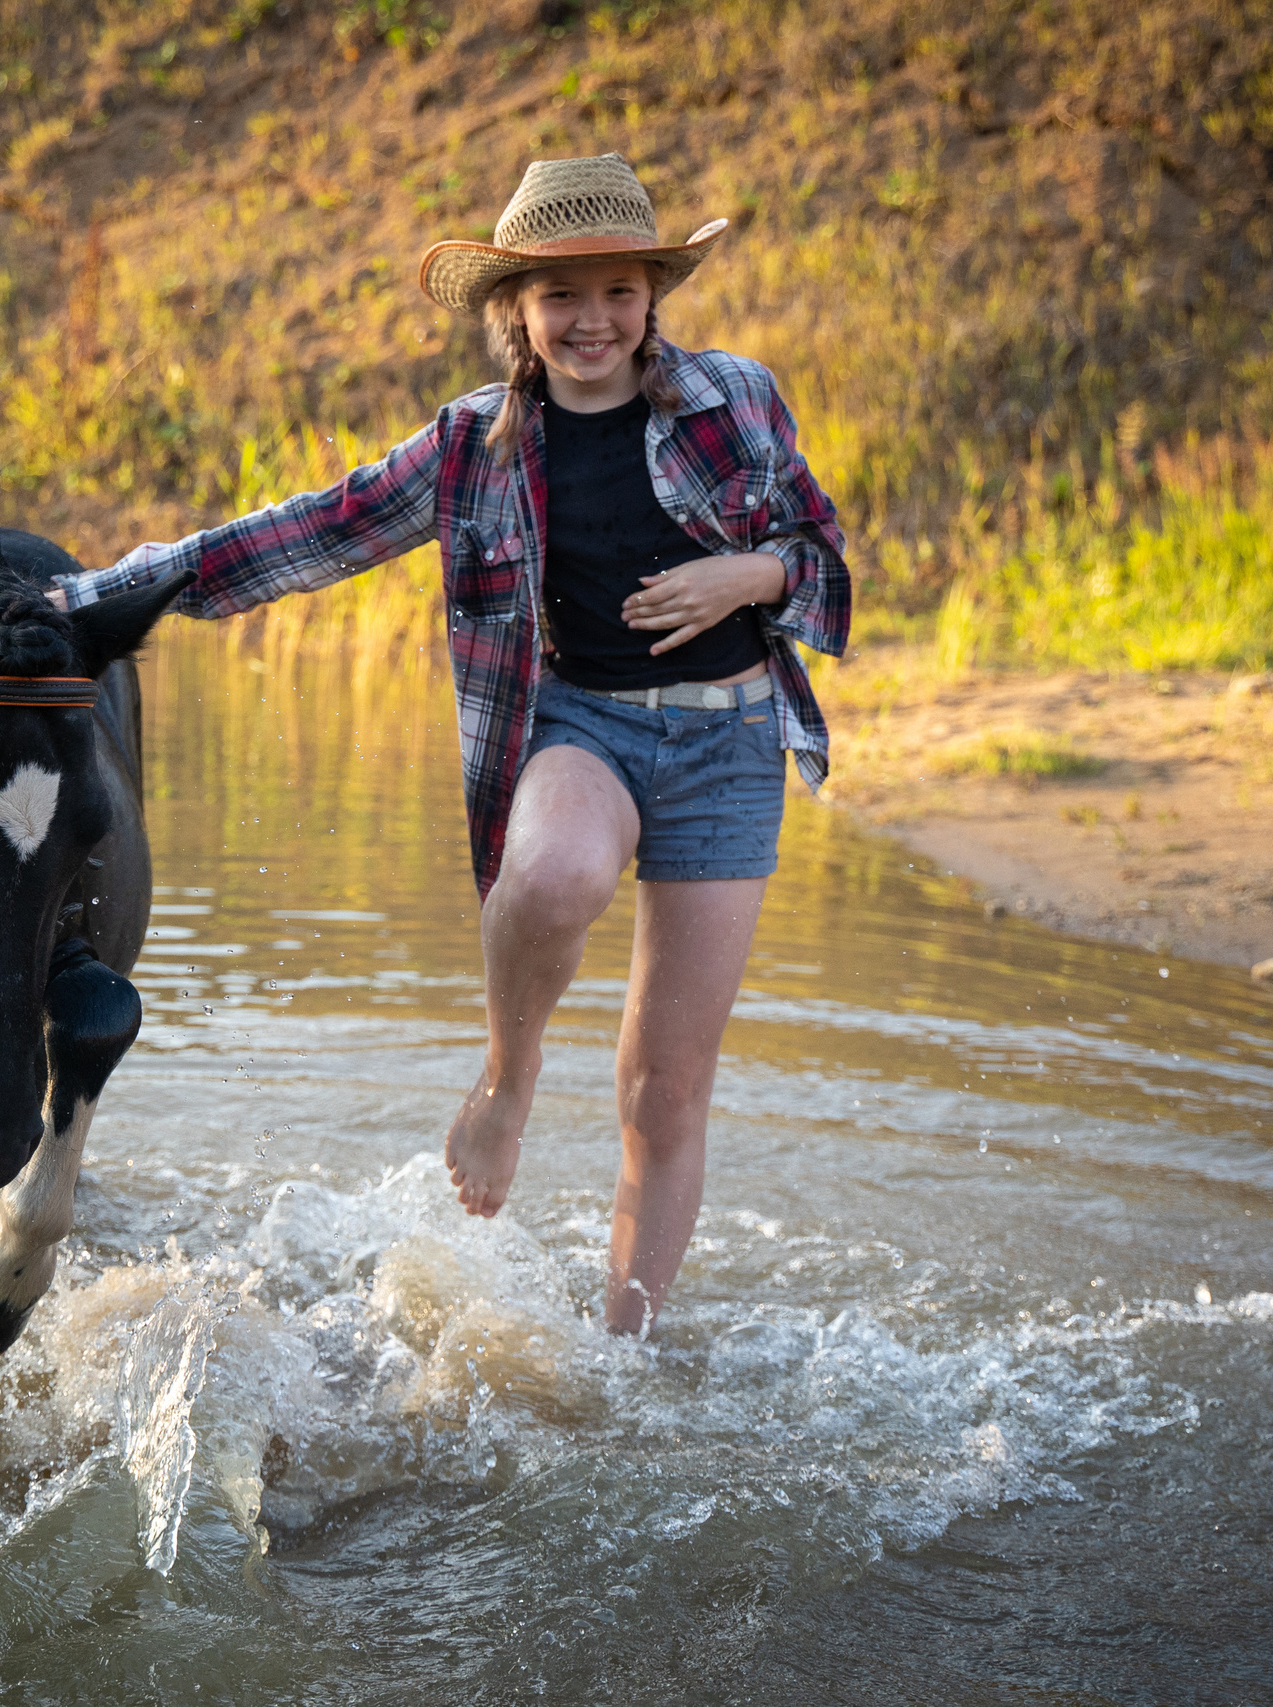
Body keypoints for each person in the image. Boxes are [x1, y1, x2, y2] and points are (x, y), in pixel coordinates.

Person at [49, 154, 849, 1335]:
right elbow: (307, 532)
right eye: (559, 295)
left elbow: (820, 552)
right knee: (553, 873)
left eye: (618, 291)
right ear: (515, 309)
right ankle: (506, 1081)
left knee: (664, 1090)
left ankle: (623, 1355)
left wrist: (752, 574)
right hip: (581, 725)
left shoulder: (735, 399)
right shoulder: (475, 444)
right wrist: (87, 599)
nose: (591, 320)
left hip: (727, 749)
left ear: (650, 297)